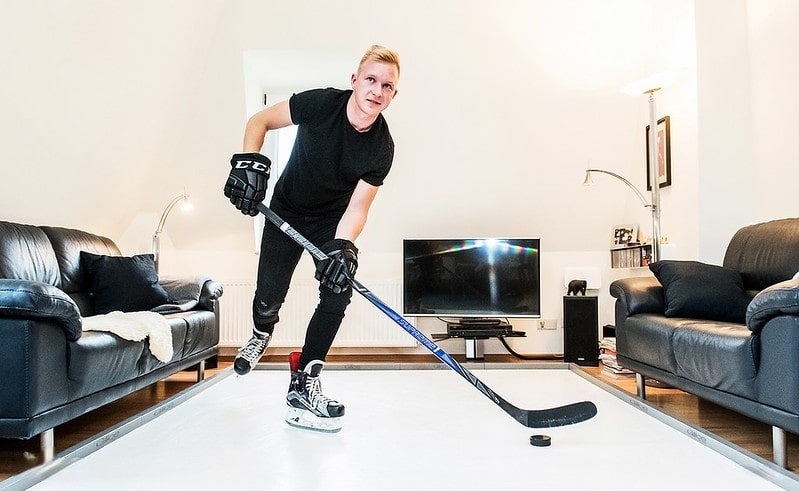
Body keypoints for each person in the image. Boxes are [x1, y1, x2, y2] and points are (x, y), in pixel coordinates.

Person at [223, 45, 400, 432]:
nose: (377, 90)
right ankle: (260, 334)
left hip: (329, 221)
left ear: (393, 95)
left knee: (339, 289)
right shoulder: (320, 104)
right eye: (370, 79)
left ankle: (305, 379)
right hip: (285, 210)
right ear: (355, 81)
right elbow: (259, 121)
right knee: (268, 296)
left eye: (387, 85)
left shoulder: (382, 147)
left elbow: (358, 208)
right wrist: (249, 164)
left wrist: (345, 247)